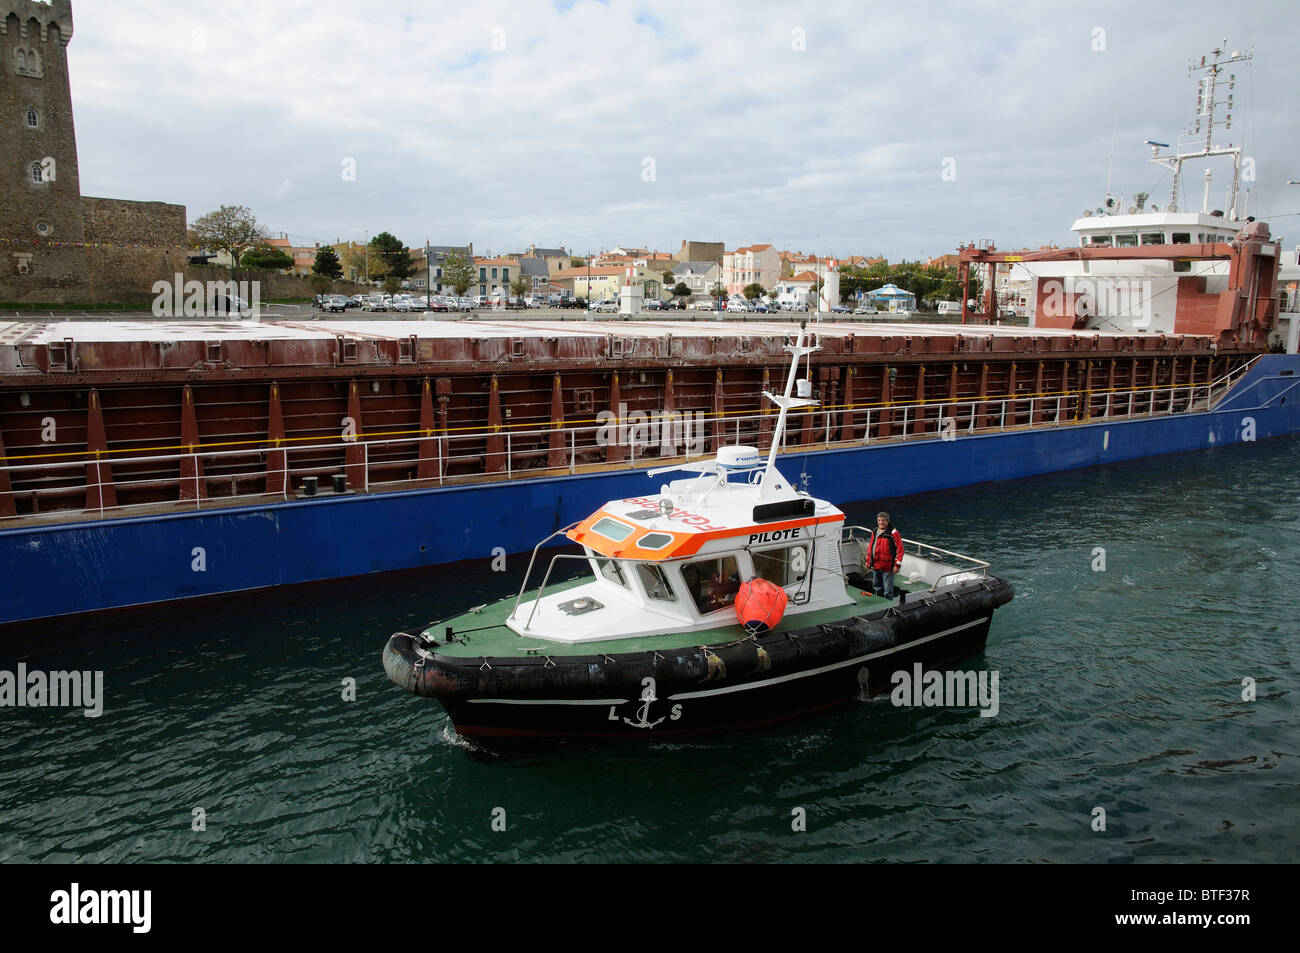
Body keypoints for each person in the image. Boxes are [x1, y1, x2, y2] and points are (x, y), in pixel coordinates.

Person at [863, 511, 904, 599]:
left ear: (887, 521)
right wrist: (868, 561)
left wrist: (897, 565)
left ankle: (888, 607)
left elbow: (900, 550)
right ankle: (879, 604)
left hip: (887, 566)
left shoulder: (893, 533)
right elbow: (871, 546)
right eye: (879, 520)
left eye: (883, 520)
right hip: (876, 565)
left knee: (888, 590)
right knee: (877, 587)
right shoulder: (875, 530)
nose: (881, 522)